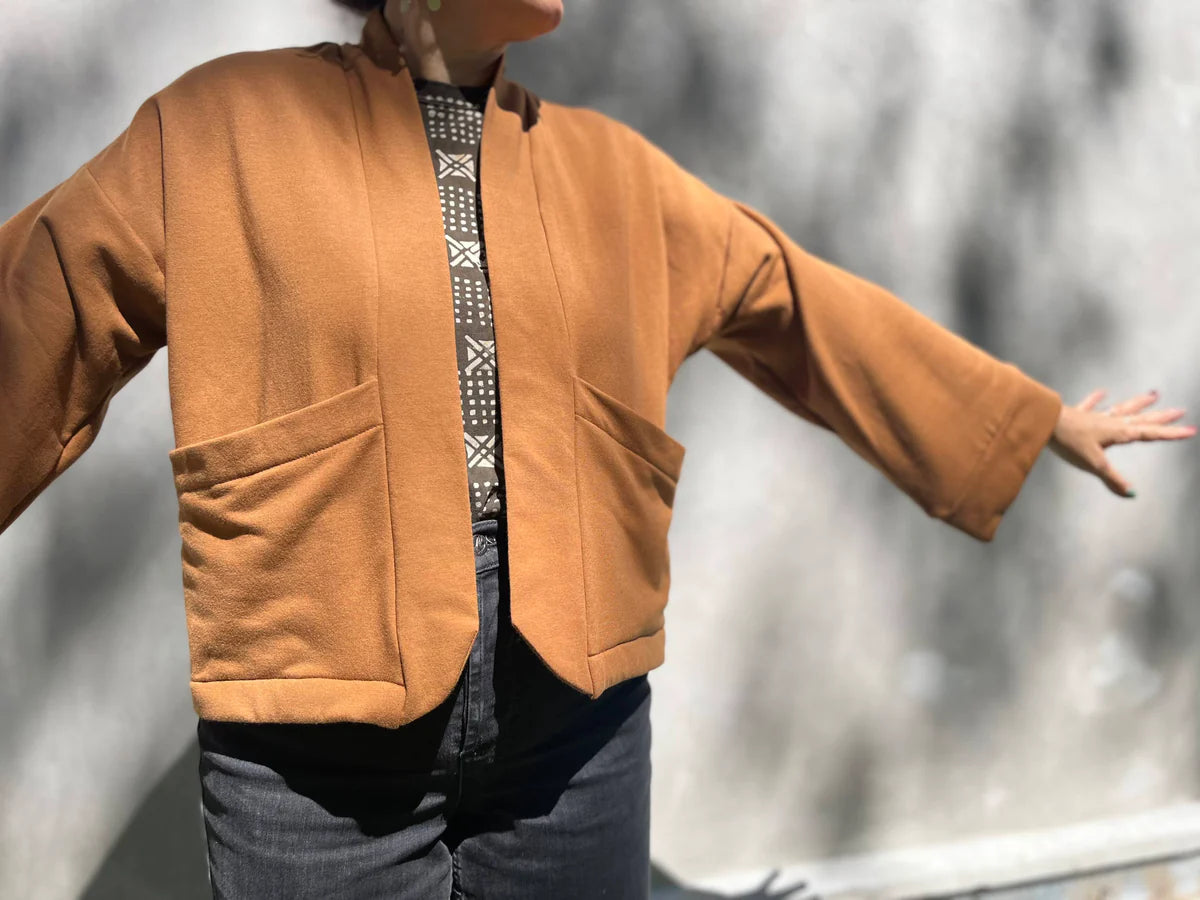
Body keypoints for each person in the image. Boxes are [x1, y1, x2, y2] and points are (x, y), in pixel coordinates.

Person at [1, 1, 1194, 897]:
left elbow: (792, 296)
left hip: (572, 725)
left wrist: (1027, 418)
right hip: (320, 739)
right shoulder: (217, 130)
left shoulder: (611, 172)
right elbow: (44, 299)